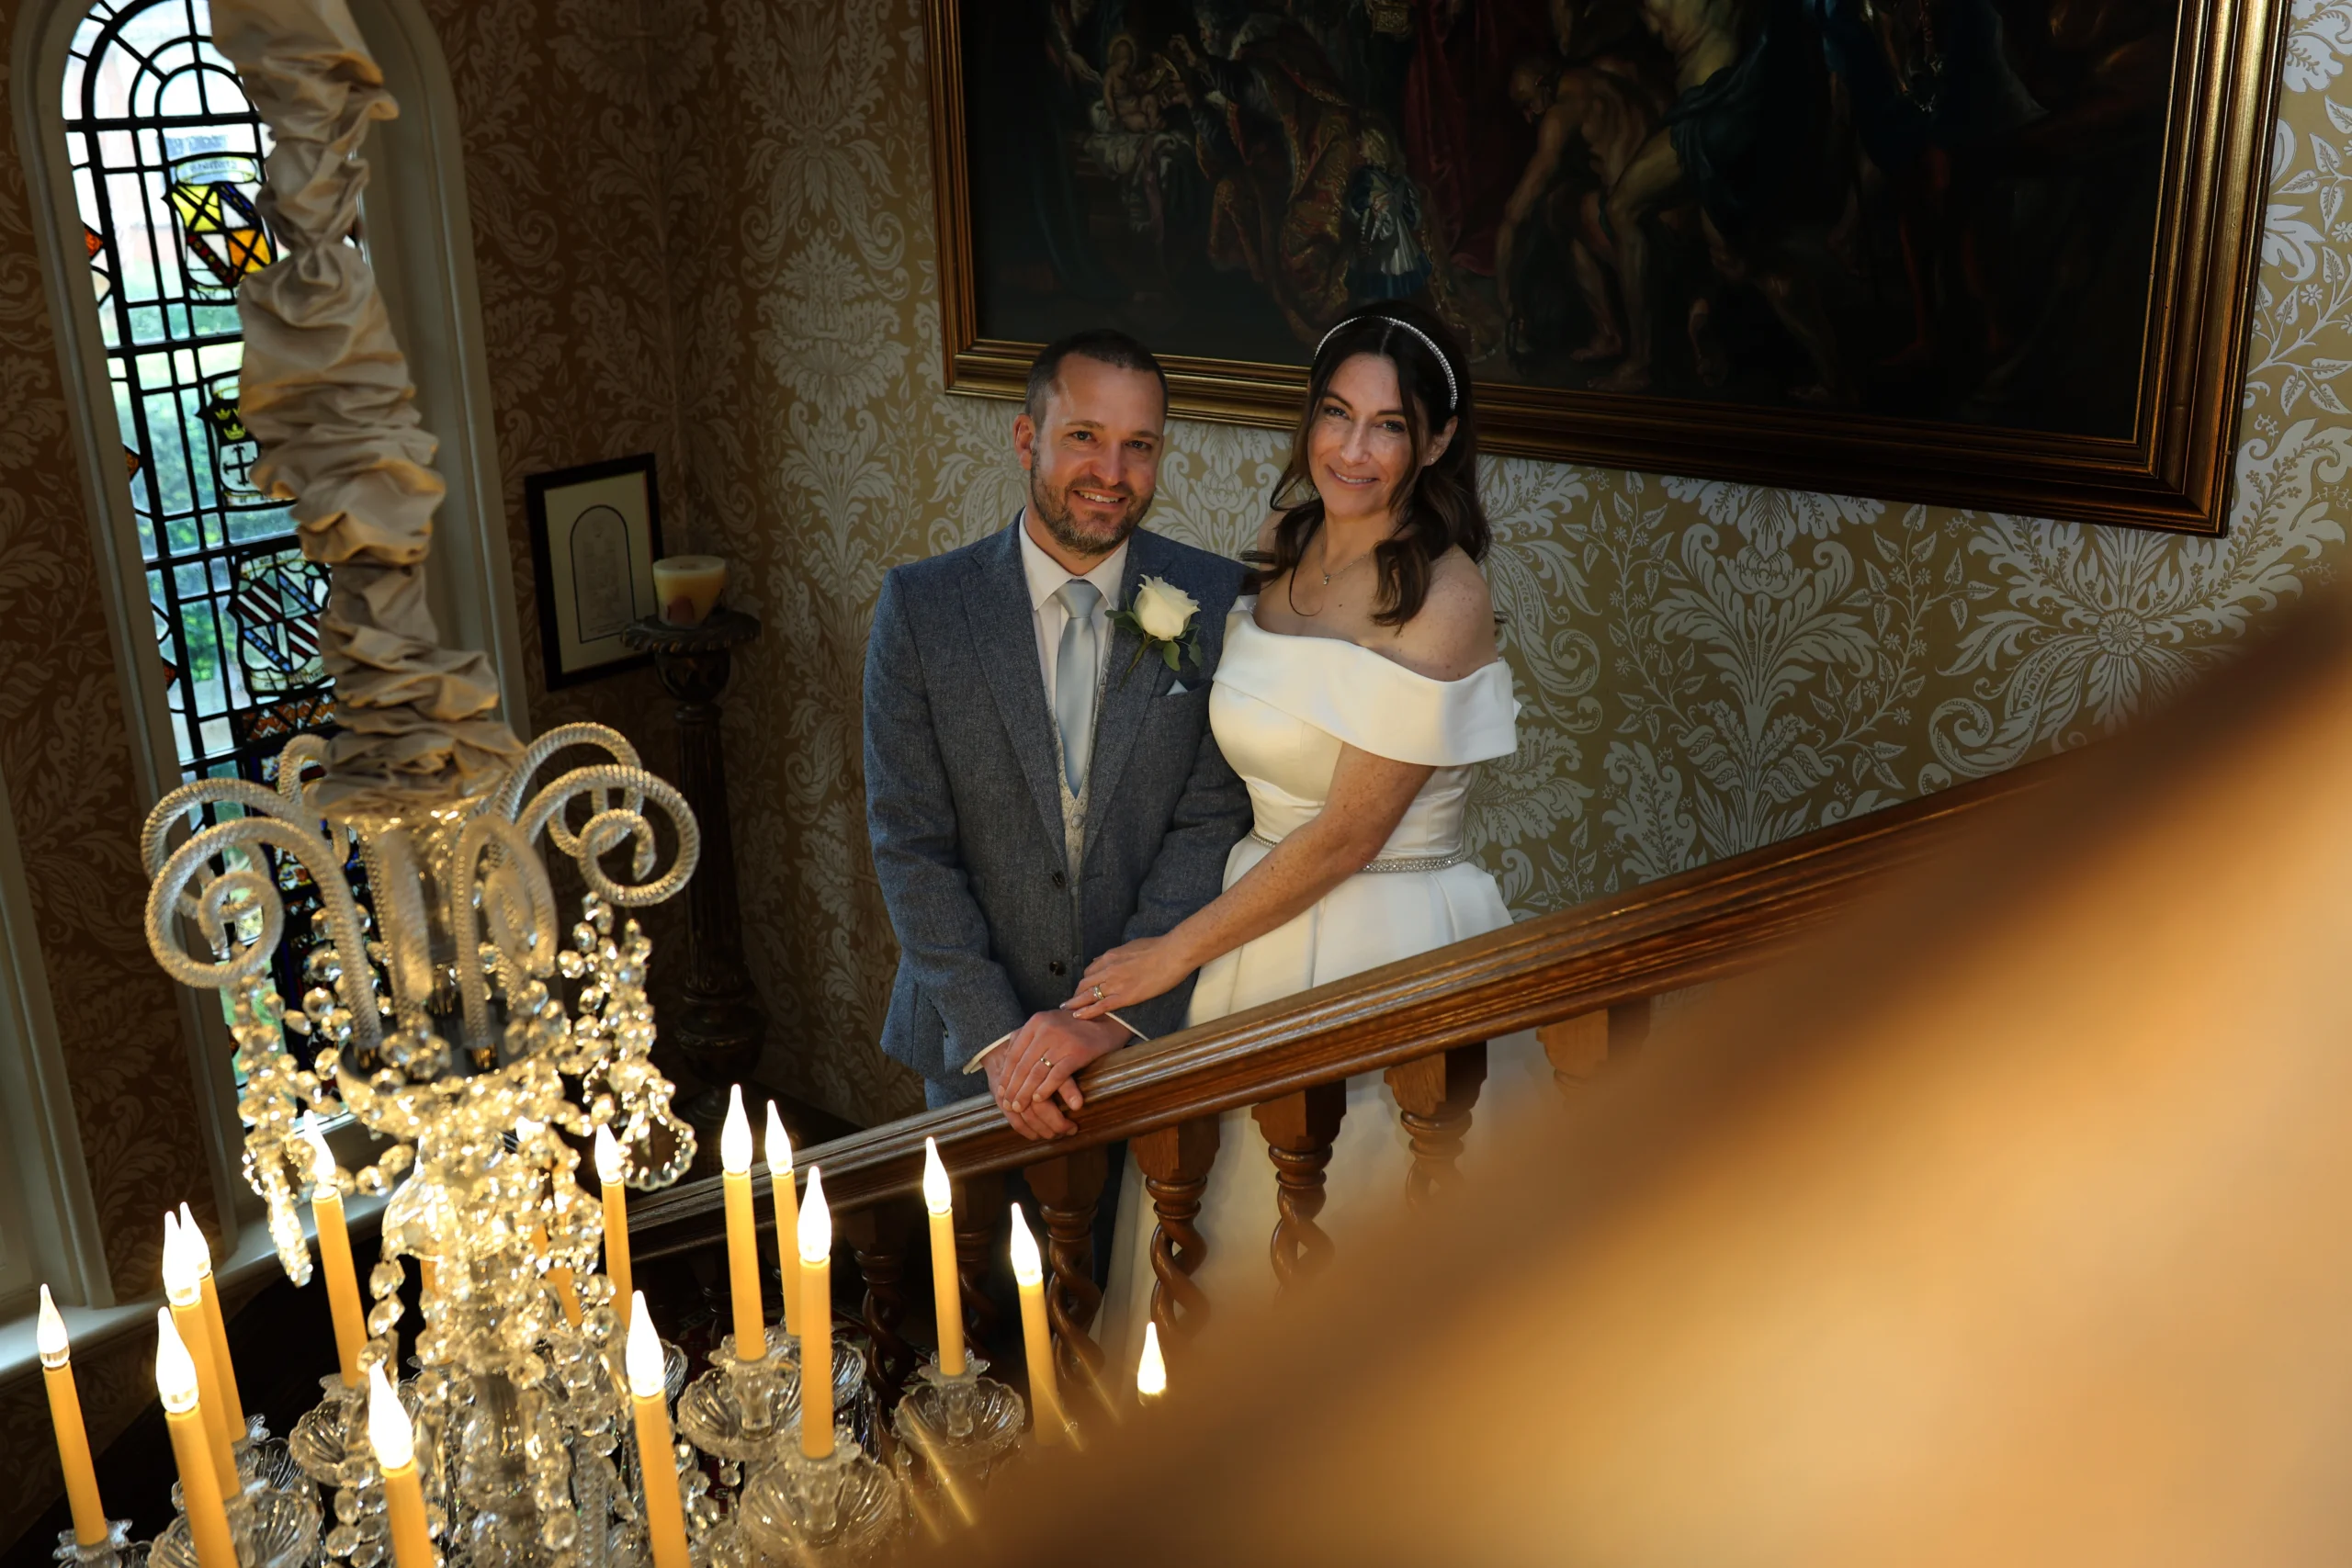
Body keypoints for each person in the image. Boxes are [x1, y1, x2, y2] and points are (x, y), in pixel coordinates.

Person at [1024, 304, 1535, 1360]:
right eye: (1335, 415)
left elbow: (1349, 836)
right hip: (1252, 934)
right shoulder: (1277, 552)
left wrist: (1170, 952)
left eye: (1388, 426)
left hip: (1388, 936)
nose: (1352, 449)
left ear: (1437, 441)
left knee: (1369, 1245)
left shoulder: (1445, 595)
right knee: (1226, 1242)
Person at [863, 330, 1251, 1132]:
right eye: (1085, 437)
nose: (1111, 474)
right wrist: (1006, 1047)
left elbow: (1210, 821)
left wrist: (1108, 1019)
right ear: (1026, 437)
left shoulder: (1212, 596)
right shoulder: (922, 609)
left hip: (1149, 1038)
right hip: (975, 1055)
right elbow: (910, 844)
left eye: (1138, 446)